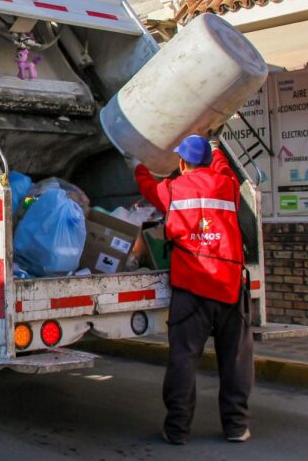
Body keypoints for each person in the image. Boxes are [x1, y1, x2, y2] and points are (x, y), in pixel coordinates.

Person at [127, 134, 253, 445]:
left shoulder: (172, 189)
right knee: (235, 360)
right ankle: (236, 427)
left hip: (192, 288)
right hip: (229, 288)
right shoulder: (228, 186)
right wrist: (215, 147)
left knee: (184, 358)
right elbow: (224, 168)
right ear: (209, 162)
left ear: (182, 163)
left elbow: (146, 186)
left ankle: (177, 429)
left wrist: (137, 164)